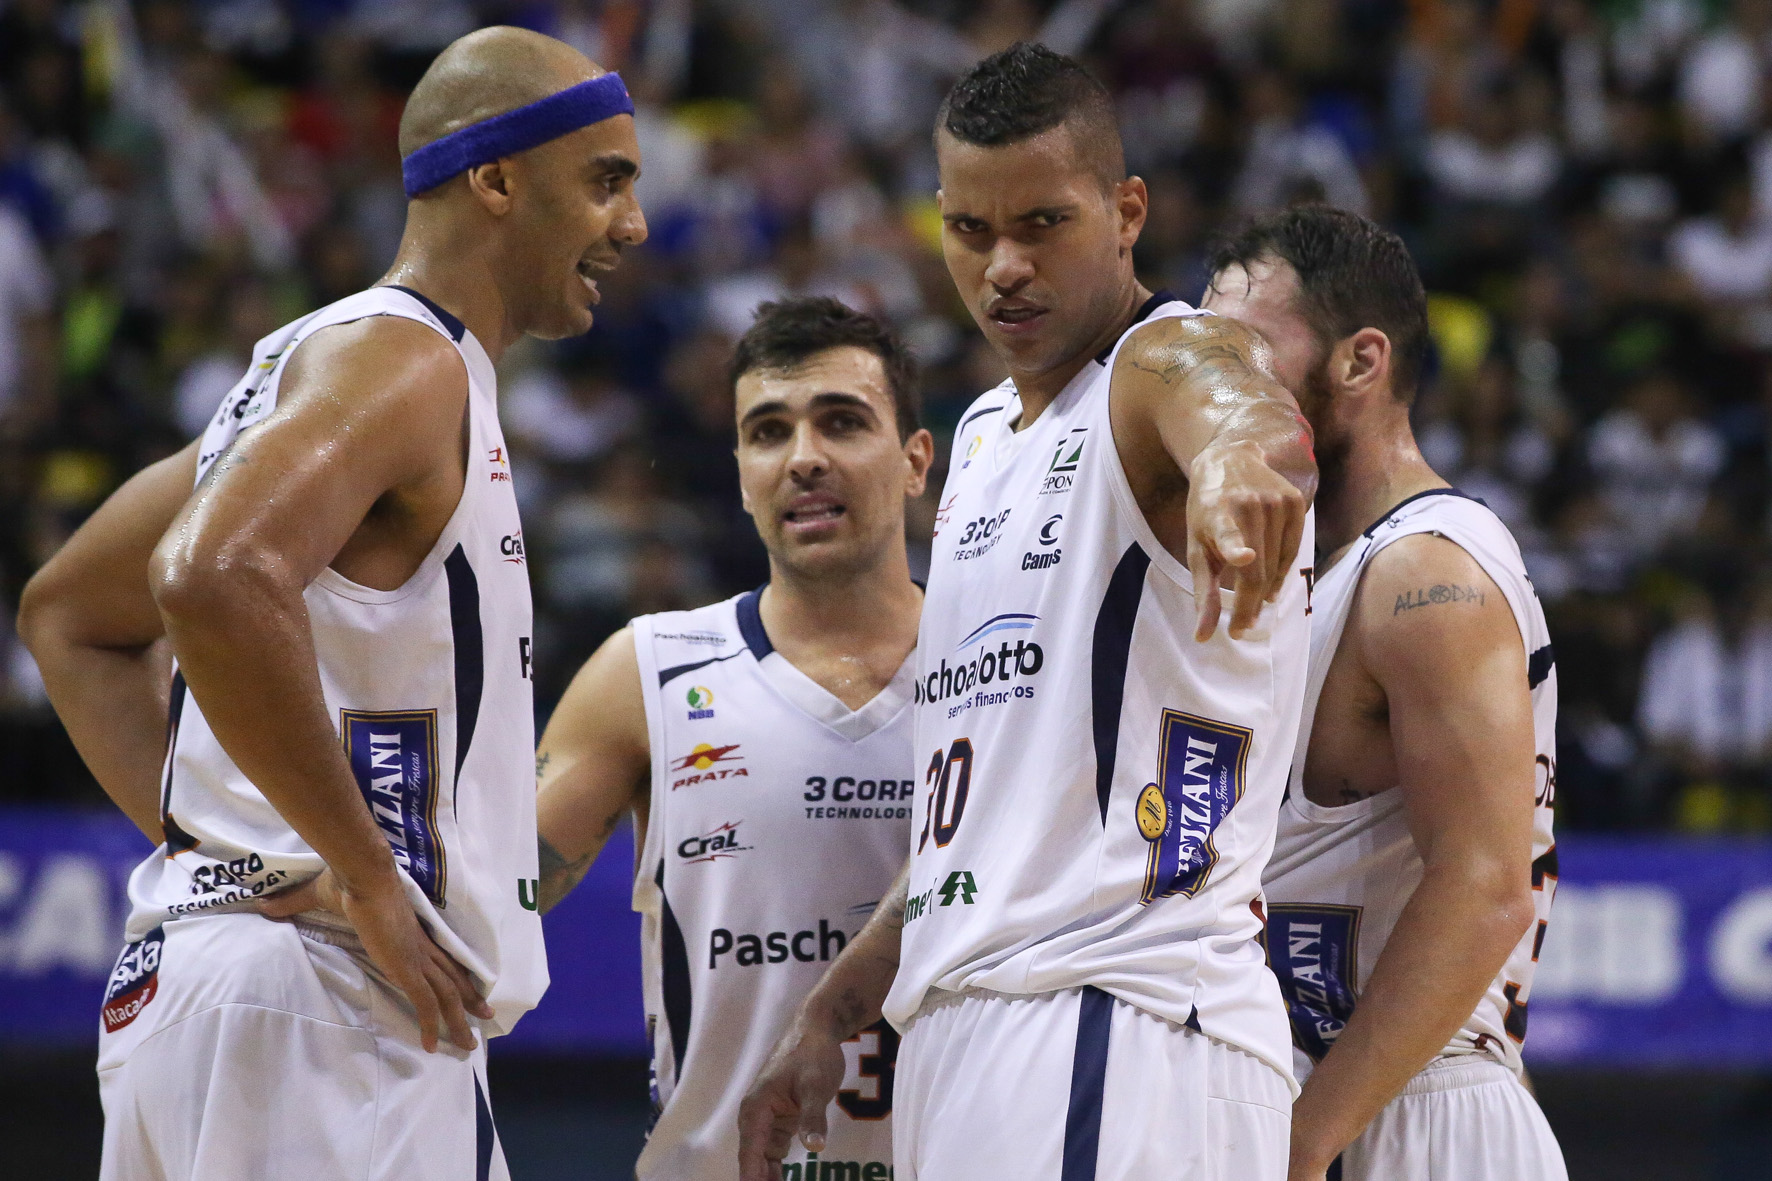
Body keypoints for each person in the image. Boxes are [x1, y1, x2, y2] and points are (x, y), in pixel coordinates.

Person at [16, 26, 647, 1180]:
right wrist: (355, 868)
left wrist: (240, 852)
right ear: (496, 179)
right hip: (324, 1014)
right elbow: (210, 574)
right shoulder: (403, 363)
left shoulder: (315, 368)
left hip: (229, 988)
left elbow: (72, 616)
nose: (632, 224)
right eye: (605, 181)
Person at [740, 43, 1317, 1181]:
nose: (1003, 266)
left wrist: (1234, 459)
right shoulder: (980, 437)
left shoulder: (1153, 363)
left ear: (1126, 211)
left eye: (1042, 224)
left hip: (1120, 1008)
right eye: (969, 230)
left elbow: (1231, 394)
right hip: (973, 1020)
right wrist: (834, 1009)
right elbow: (981, 821)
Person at [1200, 205, 1564, 1181]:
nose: (1212, 387)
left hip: (1408, 1112)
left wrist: (1301, 1141)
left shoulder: (1426, 570)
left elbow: (1483, 886)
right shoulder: (1305, 566)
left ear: (1360, 360)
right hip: (1331, 1094)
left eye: (1244, 350)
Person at [534, 296, 931, 1180]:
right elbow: (498, 888)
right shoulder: (646, 669)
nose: (804, 458)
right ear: (743, 474)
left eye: (842, 422)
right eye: (768, 432)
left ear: (915, 461)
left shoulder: (1003, 667)